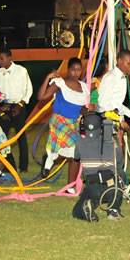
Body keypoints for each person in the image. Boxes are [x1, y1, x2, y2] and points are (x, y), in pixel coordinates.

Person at [37, 57, 90, 191]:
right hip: (60, 121)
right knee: (76, 149)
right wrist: (48, 78)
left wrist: (89, 109)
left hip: (73, 122)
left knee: (76, 154)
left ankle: (69, 185)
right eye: (73, 69)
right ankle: (51, 159)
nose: (76, 72)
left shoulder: (83, 87)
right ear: (68, 69)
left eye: (79, 70)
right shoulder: (60, 83)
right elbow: (41, 97)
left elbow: (82, 108)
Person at [72, 112, 126, 221]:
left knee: (78, 210)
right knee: (120, 174)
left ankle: (90, 204)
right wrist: (120, 141)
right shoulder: (112, 142)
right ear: (102, 127)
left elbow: (76, 157)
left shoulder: (79, 143)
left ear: (83, 127)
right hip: (112, 186)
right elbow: (120, 163)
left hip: (92, 185)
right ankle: (113, 209)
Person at [0, 48, 33, 172]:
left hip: (19, 106)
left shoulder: (21, 71)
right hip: (6, 106)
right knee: (2, 137)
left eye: (2, 58)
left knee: (20, 136)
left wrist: (20, 105)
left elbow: (28, 89)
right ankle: (7, 165)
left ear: (9, 58)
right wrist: (1, 106)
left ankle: (23, 166)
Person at [96, 49, 130, 130]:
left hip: (115, 118)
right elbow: (104, 104)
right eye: (128, 63)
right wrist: (119, 120)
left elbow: (116, 103)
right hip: (108, 120)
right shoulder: (111, 78)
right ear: (120, 60)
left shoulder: (122, 77)